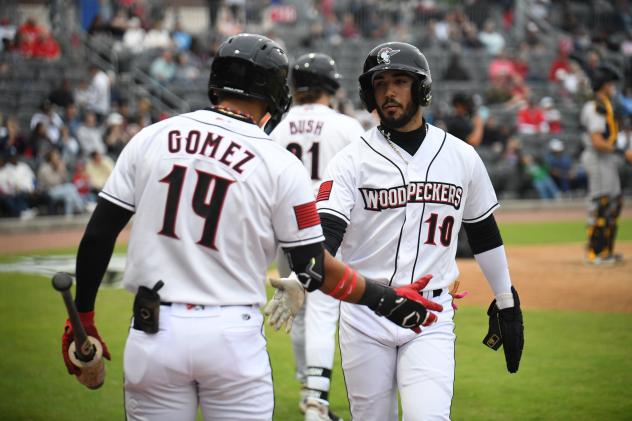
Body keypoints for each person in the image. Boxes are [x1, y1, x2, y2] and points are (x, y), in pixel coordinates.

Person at [58, 33, 442, 421]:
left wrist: (84, 318)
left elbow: (98, 235)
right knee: (317, 316)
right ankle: (316, 397)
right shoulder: (278, 160)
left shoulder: (151, 137)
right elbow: (313, 266)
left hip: (153, 331)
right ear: (275, 91)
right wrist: (384, 298)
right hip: (231, 335)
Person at [311, 42, 524, 420]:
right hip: (365, 312)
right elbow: (326, 235)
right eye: (380, 84)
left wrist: (506, 301)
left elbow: (484, 233)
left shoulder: (460, 156)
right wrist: (304, 271)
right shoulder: (350, 161)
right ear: (369, 93)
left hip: (431, 314)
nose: (389, 92)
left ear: (421, 88)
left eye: (400, 81)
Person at [270, 52, 364, 421]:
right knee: (324, 310)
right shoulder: (346, 126)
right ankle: (316, 402)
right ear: (332, 85)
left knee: (296, 310)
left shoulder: (277, 127)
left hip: (285, 227)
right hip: (325, 227)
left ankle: (306, 390)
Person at [580, 63, 625, 265]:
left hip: (607, 158)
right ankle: (595, 252)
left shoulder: (605, 105)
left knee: (614, 203)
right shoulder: (594, 108)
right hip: (598, 158)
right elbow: (598, 142)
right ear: (602, 85)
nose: (612, 88)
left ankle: (606, 250)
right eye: (609, 84)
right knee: (602, 203)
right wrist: (623, 152)